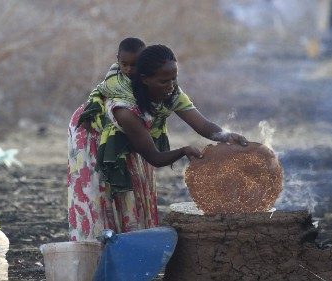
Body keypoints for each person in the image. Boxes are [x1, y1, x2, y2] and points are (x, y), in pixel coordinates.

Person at [67, 44, 247, 241]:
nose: (171, 86)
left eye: (174, 78)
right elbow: (154, 157)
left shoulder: (171, 92)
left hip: (131, 137)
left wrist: (228, 136)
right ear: (144, 79)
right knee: (102, 198)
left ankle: (130, 251)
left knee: (135, 191)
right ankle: (98, 257)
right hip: (95, 139)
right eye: (164, 81)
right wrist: (184, 151)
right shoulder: (125, 110)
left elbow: (202, 125)